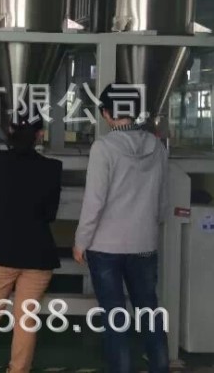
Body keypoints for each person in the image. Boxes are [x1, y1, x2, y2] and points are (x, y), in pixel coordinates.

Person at [73, 84, 169, 373]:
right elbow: (162, 199)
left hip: (106, 247)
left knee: (115, 318)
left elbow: (95, 202)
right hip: (144, 244)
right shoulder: (157, 147)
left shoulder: (103, 148)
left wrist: (81, 241)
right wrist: (150, 227)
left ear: (106, 113)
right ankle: (160, 367)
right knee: (149, 312)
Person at [0, 111, 62, 373]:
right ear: (39, 135)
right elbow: (50, 214)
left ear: (9, 131)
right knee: (26, 319)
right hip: (38, 254)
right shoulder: (52, 168)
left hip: (0, 249)